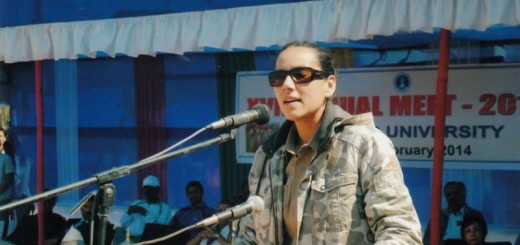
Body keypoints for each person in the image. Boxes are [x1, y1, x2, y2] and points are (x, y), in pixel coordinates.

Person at [236, 41, 422, 244]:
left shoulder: (363, 144)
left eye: (301, 75)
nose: (287, 86)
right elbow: (249, 236)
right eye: (278, 78)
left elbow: (401, 231)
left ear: (329, 85)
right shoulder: (267, 156)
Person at [118, 175, 171, 242]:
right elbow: (123, 224)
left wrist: (146, 213)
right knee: (117, 231)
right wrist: (128, 213)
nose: (147, 191)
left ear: (157, 189)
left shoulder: (164, 208)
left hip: (149, 240)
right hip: (129, 238)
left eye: (150, 188)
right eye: (145, 188)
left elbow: (160, 229)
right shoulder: (137, 203)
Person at [0, 128, 14, 238]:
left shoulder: (6, 158)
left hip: (3, 200)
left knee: (2, 231)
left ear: (5, 138)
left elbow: (9, 179)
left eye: (0, 136)